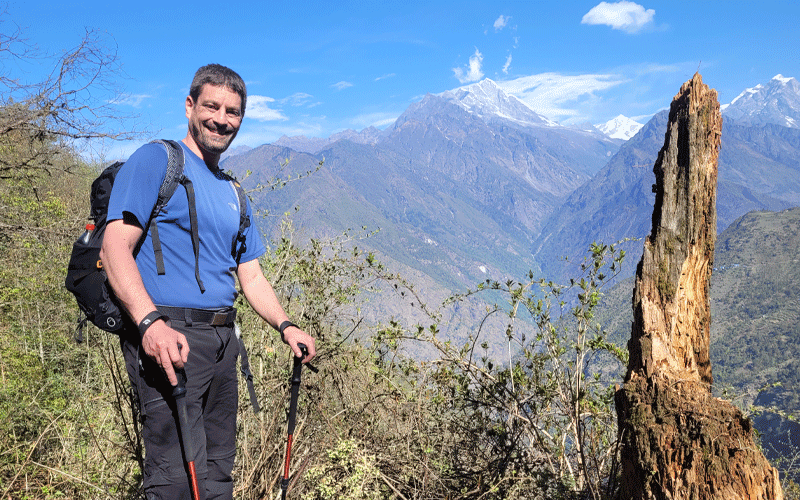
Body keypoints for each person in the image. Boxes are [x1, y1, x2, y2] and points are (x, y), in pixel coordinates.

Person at [101, 64, 316, 499]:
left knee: (218, 474)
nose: (221, 119)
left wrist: (286, 325)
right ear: (189, 106)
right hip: (170, 337)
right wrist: (149, 324)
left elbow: (250, 273)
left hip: (222, 343)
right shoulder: (157, 160)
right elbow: (114, 248)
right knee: (176, 479)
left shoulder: (233, 191)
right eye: (212, 106)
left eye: (233, 112)